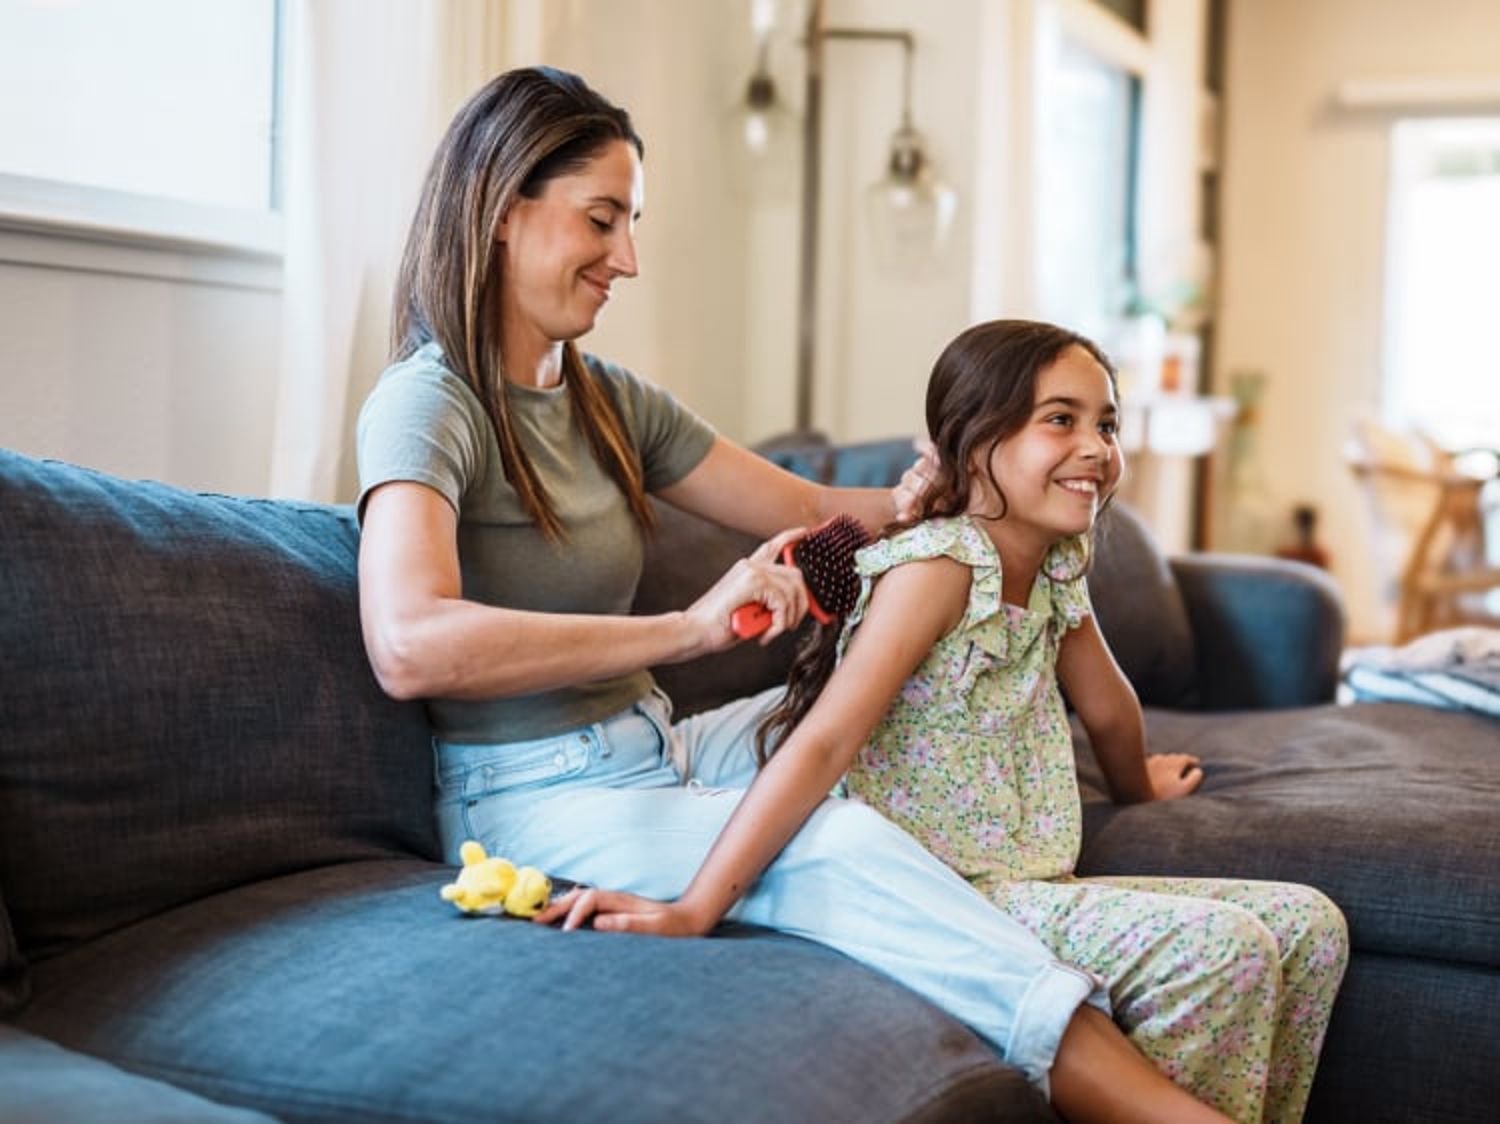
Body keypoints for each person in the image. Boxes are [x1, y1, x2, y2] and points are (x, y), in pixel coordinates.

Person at [358, 66, 1237, 1122]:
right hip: (528, 795)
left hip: (652, 750)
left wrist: (970, 491)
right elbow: (410, 642)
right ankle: (1152, 1098)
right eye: (602, 220)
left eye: (630, 223)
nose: (626, 259)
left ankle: (1014, 898)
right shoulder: (425, 404)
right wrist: (684, 630)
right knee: (832, 834)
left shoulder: (604, 399)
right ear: (503, 210)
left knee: (861, 730)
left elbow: (821, 502)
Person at [737, 319, 1351, 1122]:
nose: (1096, 447)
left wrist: (1140, 787)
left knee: (1313, 925)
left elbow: (1108, 705)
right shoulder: (938, 568)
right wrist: (699, 905)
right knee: (1221, 951)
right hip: (950, 894)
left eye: (1106, 423)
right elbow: (822, 742)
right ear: (974, 441)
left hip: (1031, 881)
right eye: (1060, 420)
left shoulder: (1057, 567)